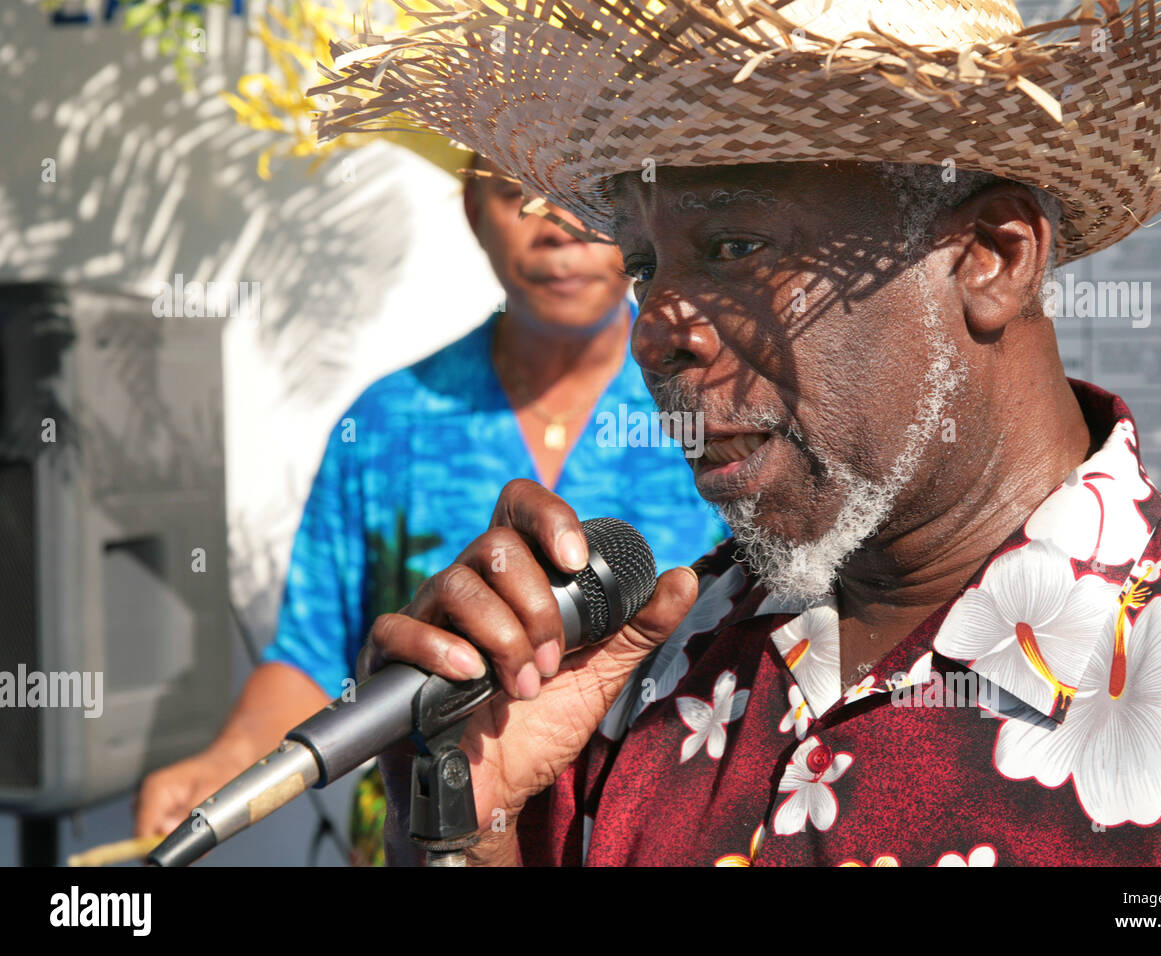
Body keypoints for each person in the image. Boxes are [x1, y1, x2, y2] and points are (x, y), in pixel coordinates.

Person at [318, 0, 1161, 866]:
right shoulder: (636, 676)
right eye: (646, 263)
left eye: (737, 245)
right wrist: (474, 821)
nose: (658, 328)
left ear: (992, 259)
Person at [132, 152, 729, 862]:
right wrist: (228, 758)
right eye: (519, 196)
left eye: (582, 195)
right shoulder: (386, 422)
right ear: (475, 214)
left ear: (636, 220)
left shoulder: (715, 409)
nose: (557, 226)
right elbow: (313, 658)